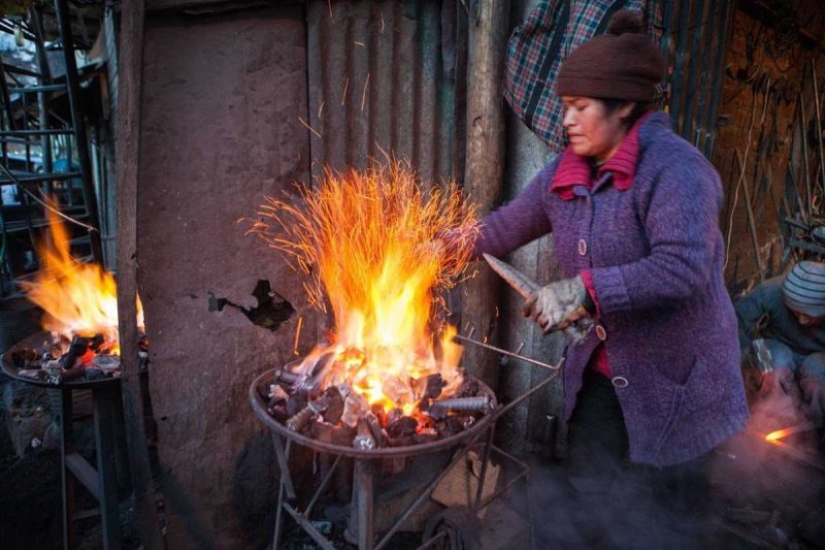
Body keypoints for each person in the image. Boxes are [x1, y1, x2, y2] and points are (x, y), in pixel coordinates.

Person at [464, 9, 750, 545]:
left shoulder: (677, 171)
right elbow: (504, 227)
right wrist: (442, 245)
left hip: (678, 386)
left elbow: (681, 267)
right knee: (589, 502)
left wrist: (583, 289)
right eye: (565, 106)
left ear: (623, 109)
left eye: (580, 107)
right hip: (599, 377)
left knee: (663, 524)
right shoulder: (563, 174)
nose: (566, 119)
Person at [735, 260, 825, 422]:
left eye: (810, 316)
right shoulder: (772, 291)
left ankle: (814, 428)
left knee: (817, 373)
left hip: (819, 356)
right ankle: (771, 418)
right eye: (795, 313)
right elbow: (736, 323)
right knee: (774, 362)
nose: (802, 321)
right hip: (777, 345)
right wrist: (757, 354)